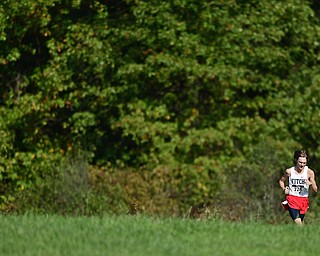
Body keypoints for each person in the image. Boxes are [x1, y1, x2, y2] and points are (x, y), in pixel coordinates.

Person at [279, 150, 318, 225]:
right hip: (292, 199)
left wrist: (310, 184)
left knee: (301, 222)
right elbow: (281, 181)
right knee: (298, 223)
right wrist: (284, 189)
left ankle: (300, 236)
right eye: (300, 162)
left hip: (303, 200)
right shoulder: (289, 171)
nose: (302, 165)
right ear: (296, 160)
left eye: (304, 163)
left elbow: (315, 189)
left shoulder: (309, 172)